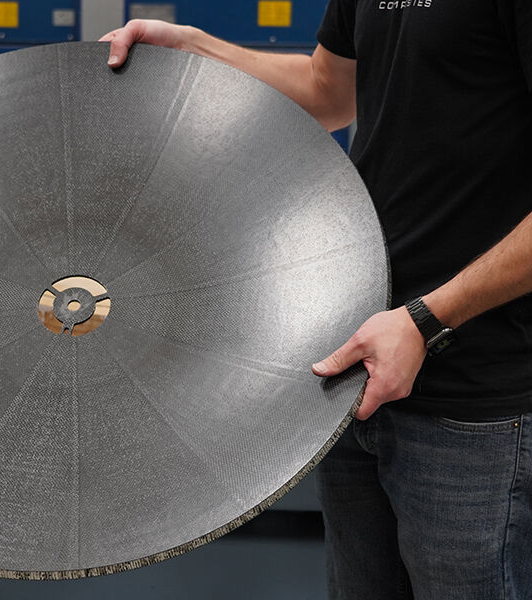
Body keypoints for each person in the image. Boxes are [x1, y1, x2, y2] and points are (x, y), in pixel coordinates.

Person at [100, 4, 532, 599]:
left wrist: (426, 319)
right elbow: (330, 90)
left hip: (474, 401)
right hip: (355, 373)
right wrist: (196, 50)